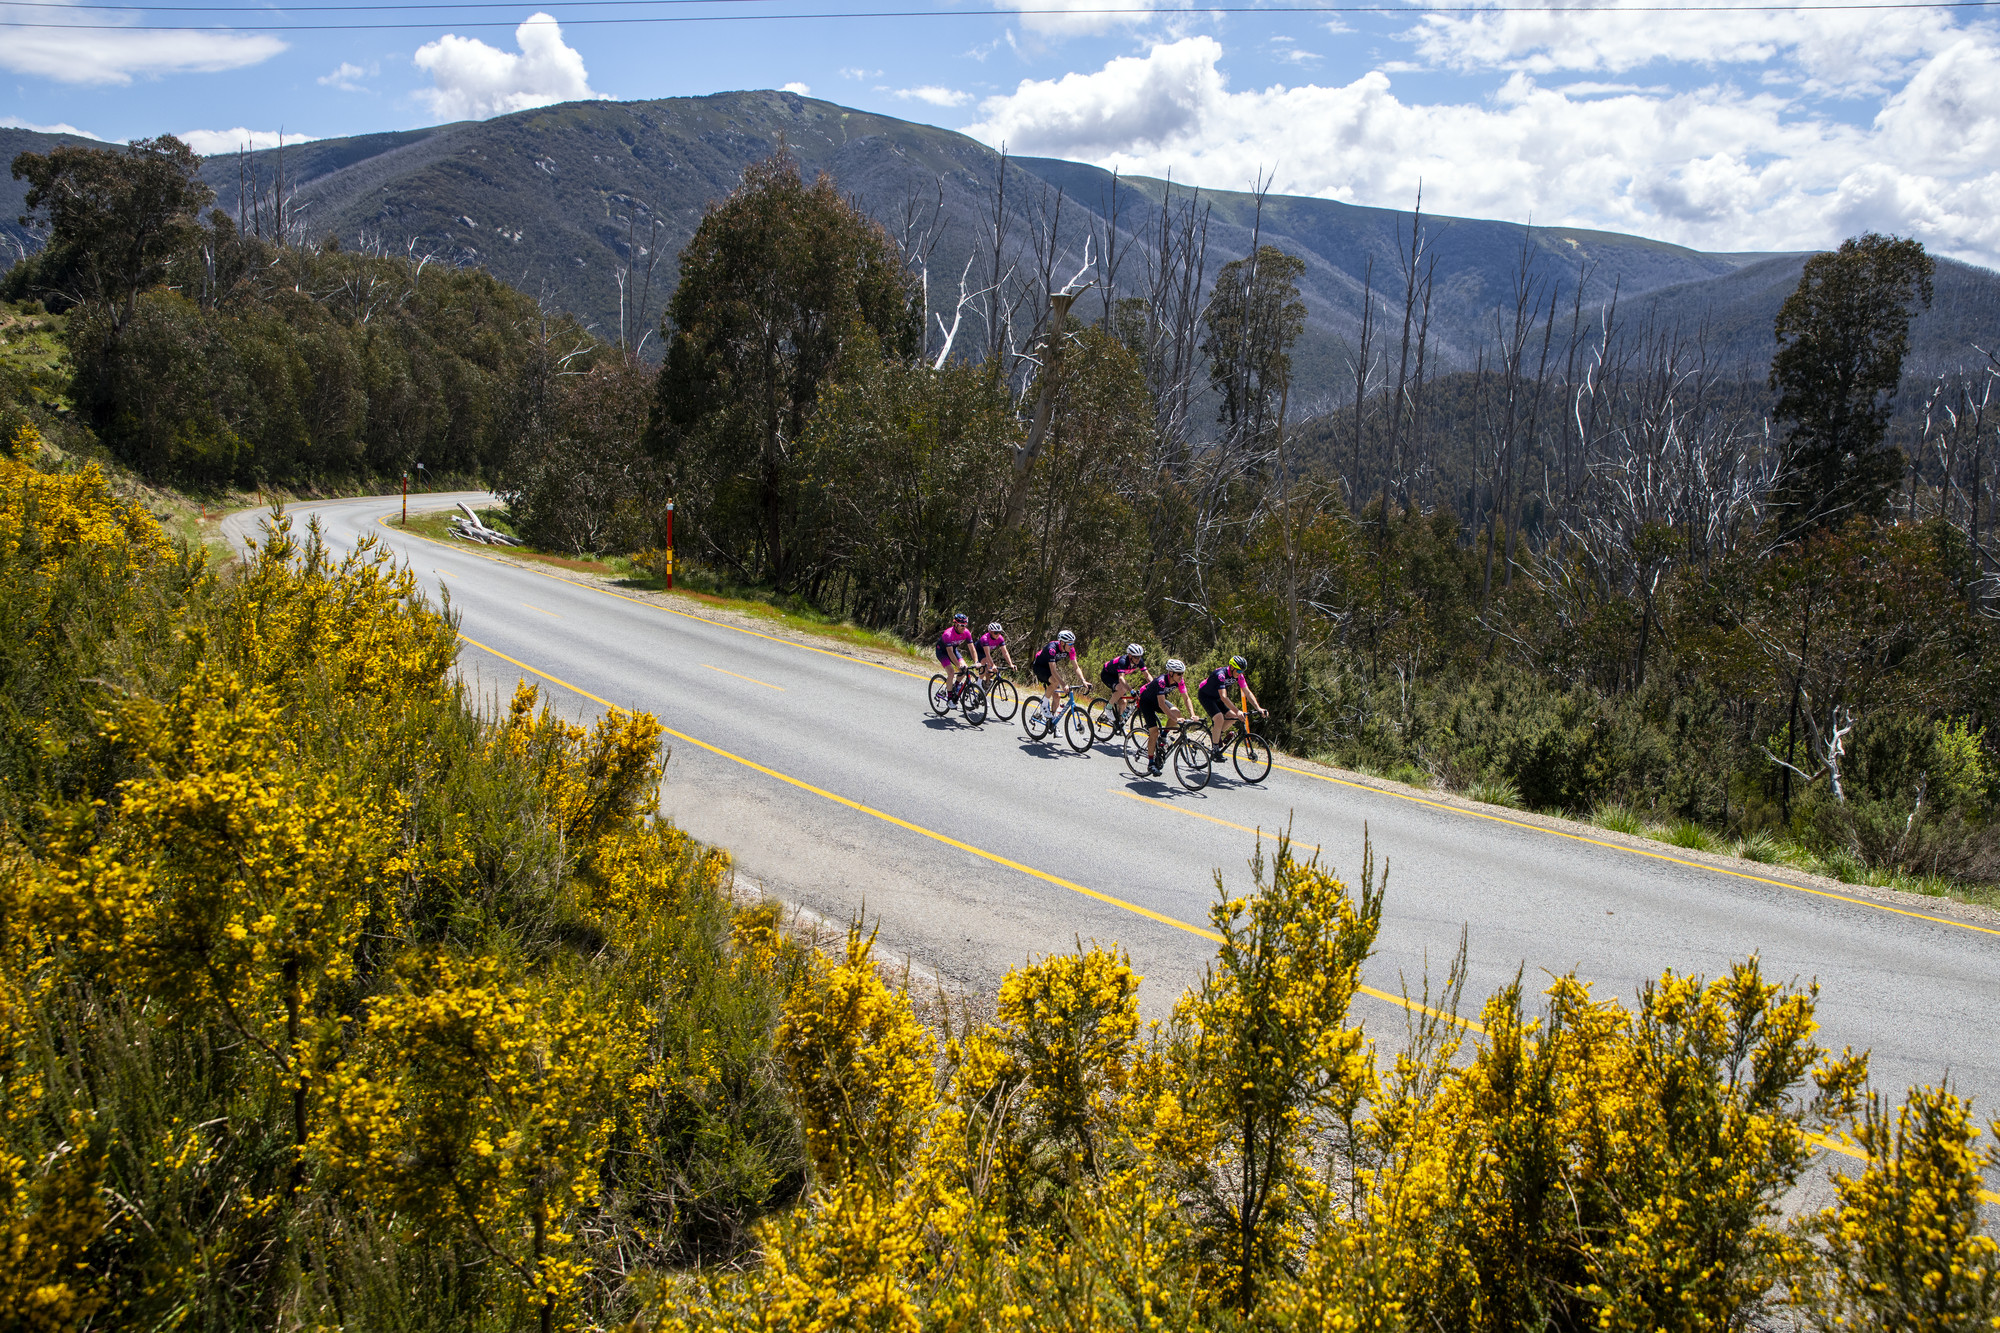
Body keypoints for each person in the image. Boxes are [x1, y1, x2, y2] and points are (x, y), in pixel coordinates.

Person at [1136, 659, 1193, 775]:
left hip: (1157, 701)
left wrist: (1192, 714)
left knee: (1176, 712)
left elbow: (1186, 698)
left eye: (1182, 673)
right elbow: (1162, 704)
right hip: (1146, 702)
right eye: (1179, 674)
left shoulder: (1179, 681)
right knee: (1154, 732)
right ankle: (1151, 763)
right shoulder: (1161, 681)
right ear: (1171, 673)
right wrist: (1176, 720)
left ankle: (1164, 736)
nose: (1181, 676)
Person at [1199, 654, 1266, 751]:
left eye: (1242, 671)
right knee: (1219, 718)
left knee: (1233, 717)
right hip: (1206, 695)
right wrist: (1238, 711)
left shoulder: (1239, 676)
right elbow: (1224, 697)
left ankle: (1217, 735)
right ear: (1232, 667)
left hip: (1217, 696)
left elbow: (1247, 692)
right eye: (1239, 670)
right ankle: (1215, 749)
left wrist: (1258, 708)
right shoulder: (1220, 675)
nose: (1240, 673)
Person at [1031, 629, 1086, 718]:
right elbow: (1053, 671)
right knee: (1055, 681)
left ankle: (1052, 721)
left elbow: (1076, 667)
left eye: (1073, 643)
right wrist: (1064, 685)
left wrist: (1083, 680)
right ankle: (1044, 705)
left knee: (1057, 697)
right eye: (1070, 644)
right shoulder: (1051, 649)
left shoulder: (1071, 650)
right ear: (1062, 643)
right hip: (1039, 667)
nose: (1072, 646)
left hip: (1049, 668)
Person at [1097, 643, 1148, 723]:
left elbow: (1147, 675)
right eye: (1136, 657)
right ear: (1130, 655)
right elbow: (1121, 678)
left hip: (1117, 677)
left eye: (1140, 656)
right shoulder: (1123, 661)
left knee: (1123, 702)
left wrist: (1154, 686)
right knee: (1122, 689)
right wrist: (1131, 690)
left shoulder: (1139, 662)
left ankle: (1119, 724)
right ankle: (1108, 707)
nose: (1138, 659)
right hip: (1107, 675)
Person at [936, 612, 976, 698]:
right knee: (951, 672)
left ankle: (955, 686)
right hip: (942, 652)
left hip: (953, 650)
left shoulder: (966, 632)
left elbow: (972, 648)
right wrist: (958, 666)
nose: (964, 627)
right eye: (962, 625)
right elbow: (949, 653)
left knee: (965, 668)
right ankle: (949, 697)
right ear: (956, 624)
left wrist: (976, 661)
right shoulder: (948, 634)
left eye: (965, 625)